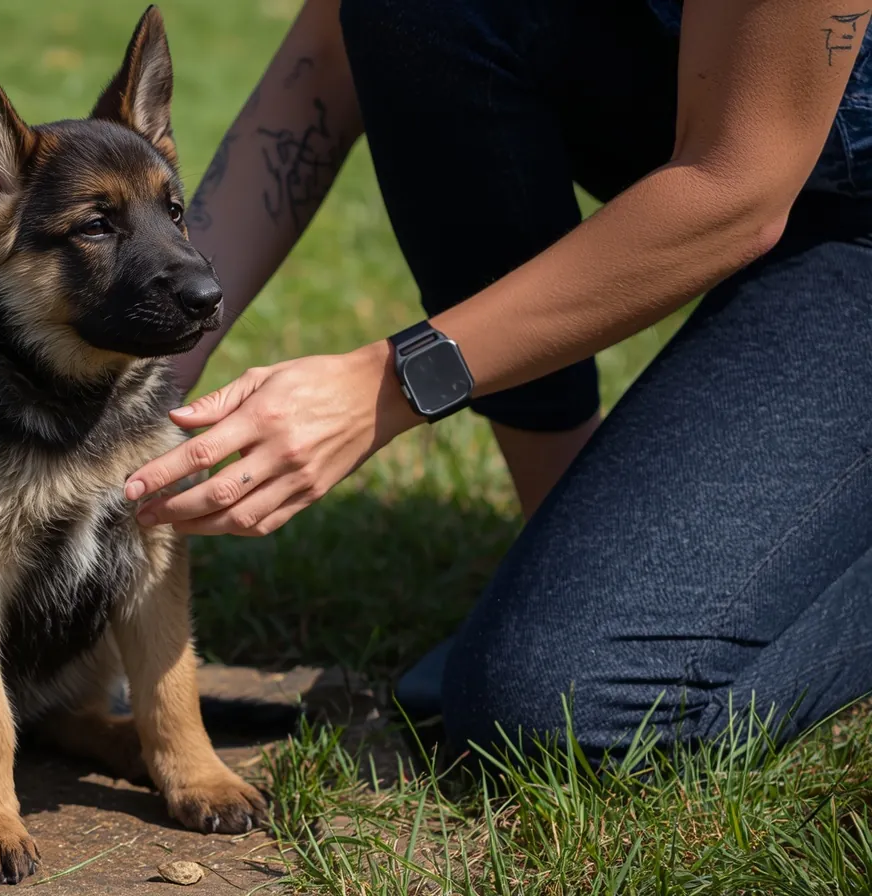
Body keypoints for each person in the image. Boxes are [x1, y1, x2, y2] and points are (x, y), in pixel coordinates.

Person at [124, 0, 872, 763]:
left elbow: (738, 188)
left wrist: (386, 385)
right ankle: (553, 534)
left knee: (570, 709)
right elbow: (334, 38)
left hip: (833, 215)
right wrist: (154, 356)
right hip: (720, 128)